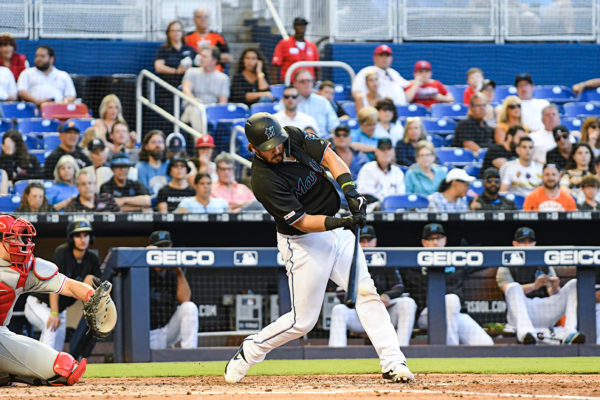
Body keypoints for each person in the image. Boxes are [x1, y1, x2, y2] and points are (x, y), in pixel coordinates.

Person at [223, 113, 413, 384]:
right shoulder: (263, 180)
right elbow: (302, 222)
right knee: (303, 321)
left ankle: (393, 362)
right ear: (253, 149)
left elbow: (331, 158)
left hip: (337, 230)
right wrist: (342, 220)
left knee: (365, 292)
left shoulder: (294, 136)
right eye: (268, 148)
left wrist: (351, 191)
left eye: (277, 143)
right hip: (303, 242)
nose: (276, 150)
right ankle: (251, 349)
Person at [0, 215, 107, 385]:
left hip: (1, 335)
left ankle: (8, 371)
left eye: (19, 237)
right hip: (38, 305)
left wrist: (92, 297)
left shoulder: (24, 267)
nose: (18, 242)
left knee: (65, 368)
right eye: (11, 238)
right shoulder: (63, 252)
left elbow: (69, 286)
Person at [398, 224, 494, 346]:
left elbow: (484, 257)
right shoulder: (414, 265)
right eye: (431, 239)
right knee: (451, 299)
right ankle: (451, 349)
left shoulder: (457, 260)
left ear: (445, 240)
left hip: (455, 314)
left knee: (485, 343)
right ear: (424, 242)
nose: (435, 243)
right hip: (427, 315)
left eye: (438, 238)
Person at [496, 227, 584, 345]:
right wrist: (534, 286)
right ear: (515, 244)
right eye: (523, 242)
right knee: (514, 287)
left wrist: (555, 287)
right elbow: (507, 289)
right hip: (520, 313)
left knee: (574, 283)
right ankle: (526, 335)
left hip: (544, 310)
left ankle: (570, 332)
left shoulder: (543, 262)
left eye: (530, 242)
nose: (527, 245)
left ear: (535, 243)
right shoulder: (506, 264)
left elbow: (552, 293)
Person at [24, 218, 101, 352]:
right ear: (71, 238)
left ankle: (54, 371)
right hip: (38, 303)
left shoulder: (92, 259)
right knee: (51, 328)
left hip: (60, 309)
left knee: (58, 349)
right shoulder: (62, 252)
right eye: (78, 235)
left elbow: (99, 283)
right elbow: (53, 285)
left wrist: (91, 280)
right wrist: (54, 313)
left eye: (86, 235)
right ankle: (41, 368)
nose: (82, 239)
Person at [328, 225, 412, 347]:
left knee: (407, 303)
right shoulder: (347, 260)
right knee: (339, 310)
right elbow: (341, 293)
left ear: (375, 241)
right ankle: (337, 354)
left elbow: (399, 287)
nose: (366, 245)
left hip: (385, 312)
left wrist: (387, 296)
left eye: (369, 241)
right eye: (362, 241)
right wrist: (363, 300)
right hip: (359, 314)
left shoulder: (385, 260)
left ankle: (401, 350)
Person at [147, 231, 199, 349]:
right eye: (160, 247)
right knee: (154, 363)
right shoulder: (143, 269)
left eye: (167, 246)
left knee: (189, 307)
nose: (164, 250)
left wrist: (179, 272)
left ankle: (190, 354)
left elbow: (185, 299)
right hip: (149, 332)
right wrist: (146, 259)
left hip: (169, 328)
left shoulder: (174, 272)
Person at [181, 46, 229, 133]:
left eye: (205, 56)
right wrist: (193, 100)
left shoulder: (223, 78)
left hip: (212, 111)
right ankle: (202, 141)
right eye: (201, 56)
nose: (200, 58)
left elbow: (223, 102)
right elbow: (186, 89)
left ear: (214, 60)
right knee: (195, 110)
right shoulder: (191, 72)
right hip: (193, 107)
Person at [271, 17, 319, 83]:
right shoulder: (284, 44)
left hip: (308, 84)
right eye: (299, 25)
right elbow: (275, 66)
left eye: (303, 25)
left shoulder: (312, 46)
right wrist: (275, 85)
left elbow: (317, 68)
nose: (302, 27)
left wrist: (317, 82)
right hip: (291, 84)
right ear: (294, 27)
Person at [293, 69, 339, 137]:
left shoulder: (323, 101)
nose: (306, 84)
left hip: (322, 142)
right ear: (295, 84)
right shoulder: (289, 100)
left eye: (309, 81)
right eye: (302, 81)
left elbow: (334, 127)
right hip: (297, 142)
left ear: (312, 83)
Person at [356, 138, 405, 203]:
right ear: (376, 151)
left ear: (393, 152)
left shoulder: (398, 172)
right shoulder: (367, 169)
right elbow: (364, 194)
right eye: (382, 149)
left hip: (393, 208)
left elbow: (401, 195)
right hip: (372, 210)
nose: (386, 152)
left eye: (388, 149)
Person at [136, 130, 168, 195]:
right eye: (153, 142)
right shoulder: (140, 167)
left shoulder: (170, 165)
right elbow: (143, 192)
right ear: (146, 146)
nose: (157, 145)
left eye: (160, 142)